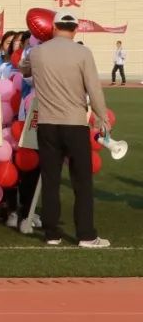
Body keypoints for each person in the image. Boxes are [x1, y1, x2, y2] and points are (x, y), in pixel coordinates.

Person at [21, 12, 110, 248]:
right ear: (75, 29)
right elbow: (93, 88)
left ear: (53, 27)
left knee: (50, 180)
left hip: (48, 123)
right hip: (75, 123)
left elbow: (24, 69)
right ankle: (86, 235)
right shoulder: (83, 53)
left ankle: (51, 234)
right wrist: (102, 117)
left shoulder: (37, 51)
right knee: (82, 182)